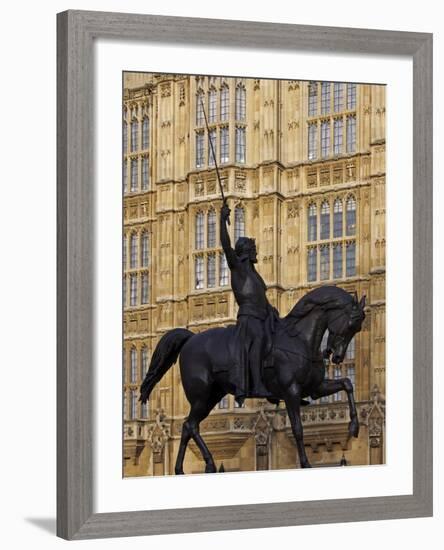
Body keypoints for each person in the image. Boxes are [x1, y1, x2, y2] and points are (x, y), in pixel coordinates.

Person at [220, 203, 278, 406]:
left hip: (262, 316)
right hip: (248, 319)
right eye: (253, 249)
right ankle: (257, 384)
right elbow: (226, 246)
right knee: (259, 338)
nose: (256, 253)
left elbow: (261, 297)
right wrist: (222, 220)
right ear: (245, 252)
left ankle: (279, 384)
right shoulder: (238, 269)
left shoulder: (254, 274)